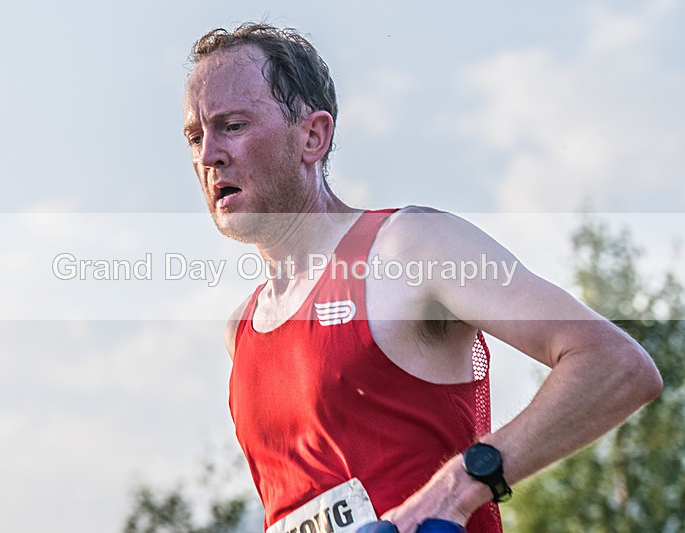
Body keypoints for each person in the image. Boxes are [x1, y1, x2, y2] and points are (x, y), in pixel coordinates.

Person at [181, 22, 662, 533]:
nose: (209, 155)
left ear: (313, 136)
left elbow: (615, 365)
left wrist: (456, 488)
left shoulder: (410, 247)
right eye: (195, 136)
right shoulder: (241, 330)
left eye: (233, 126)